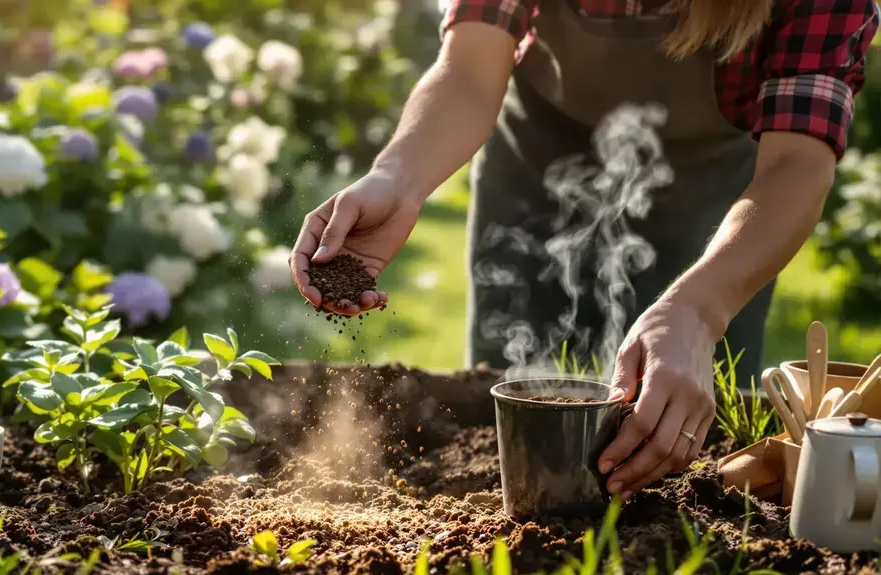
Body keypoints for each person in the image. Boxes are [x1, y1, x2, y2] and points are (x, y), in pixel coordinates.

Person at [289, 0, 878, 497]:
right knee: (513, 392)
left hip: (722, 206)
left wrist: (699, 310)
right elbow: (469, 69)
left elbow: (798, 163)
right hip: (537, 166)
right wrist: (398, 178)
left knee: (681, 414)